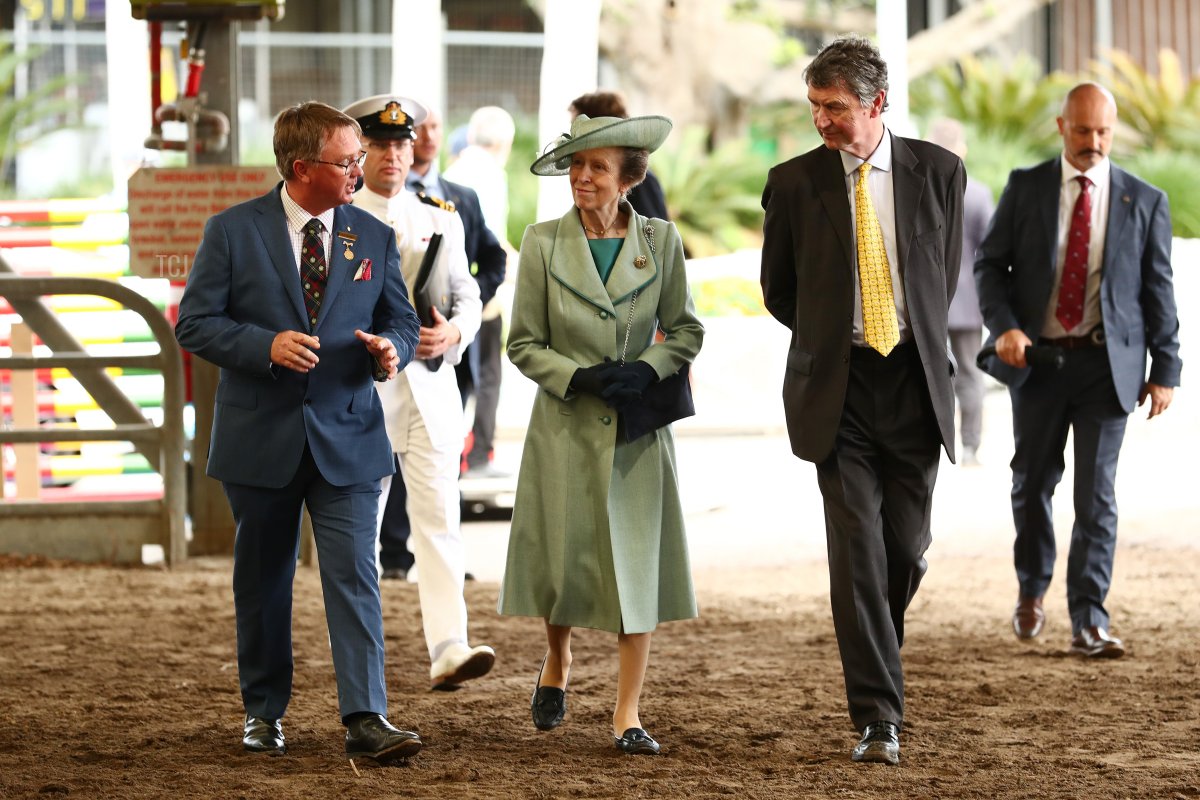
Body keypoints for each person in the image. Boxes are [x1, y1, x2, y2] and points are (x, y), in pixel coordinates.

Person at [175, 101, 424, 764]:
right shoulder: (231, 231)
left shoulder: (370, 235)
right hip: (260, 443)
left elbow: (401, 320)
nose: (359, 169)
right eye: (347, 160)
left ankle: (367, 719)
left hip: (349, 438)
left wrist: (391, 350)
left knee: (355, 577)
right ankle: (262, 713)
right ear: (300, 167)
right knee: (262, 582)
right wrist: (264, 345)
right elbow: (194, 324)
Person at [759, 35, 965, 766]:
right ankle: (879, 718)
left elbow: (941, 275)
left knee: (904, 551)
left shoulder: (939, 171)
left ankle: (873, 638)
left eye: (836, 108)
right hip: (836, 389)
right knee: (857, 555)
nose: (823, 120)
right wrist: (829, 334)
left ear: (878, 104)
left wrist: (904, 337)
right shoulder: (790, 183)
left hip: (915, 384)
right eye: (815, 106)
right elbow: (778, 290)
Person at [499, 113, 703, 756]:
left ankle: (627, 714)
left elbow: (687, 330)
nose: (582, 178)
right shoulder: (540, 241)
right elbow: (522, 342)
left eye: (597, 168)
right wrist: (578, 376)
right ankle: (556, 661)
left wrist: (649, 366)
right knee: (565, 562)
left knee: (636, 572)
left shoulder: (661, 240)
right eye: (576, 166)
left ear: (628, 179)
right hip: (565, 425)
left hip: (638, 432)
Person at [974, 82, 1181, 658]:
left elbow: (1157, 291)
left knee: (1096, 499)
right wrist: (1006, 327)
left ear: (1113, 132)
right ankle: (1031, 589)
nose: (1094, 142)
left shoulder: (1145, 200)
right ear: (1062, 126)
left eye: (1104, 132)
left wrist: (1166, 367)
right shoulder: (1026, 187)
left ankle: (1089, 617)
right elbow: (989, 266)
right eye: (1084, 130)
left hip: (1107, 366)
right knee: (1032, 483)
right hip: (1038, 364)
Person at [342, 94, 495, 690]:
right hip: (362, 393)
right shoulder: (341, 218)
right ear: (360, 152)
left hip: (430, 390)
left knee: (439, 521)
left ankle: (449, 645)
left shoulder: (439, 214)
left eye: (402, 144)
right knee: (360, 530)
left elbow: (467, 292)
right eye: (380, 144)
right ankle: (361, 657)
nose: (394, 155)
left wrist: (454, 332)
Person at [408, 106, 509, 474]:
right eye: (420, 129)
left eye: (436, 126)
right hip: (399, 350)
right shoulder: (379, 201)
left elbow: (492, 257)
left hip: (458, 329)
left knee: (469, 395)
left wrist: (466, 303)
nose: (429, 136)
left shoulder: (460, 197)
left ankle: (472, 457)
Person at [445, 106, 517, 477]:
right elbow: (494, 241)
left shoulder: (450, 174)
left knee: (457, 376)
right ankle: (479, 454)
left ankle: (451, 454)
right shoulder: (492, 175)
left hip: (448, 298)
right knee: (488, 374)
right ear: (503, 143)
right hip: (483, 296)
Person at [925, 118, 995, 466]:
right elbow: (991, 251)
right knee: (969, 373)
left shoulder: (920, 189)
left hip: (929, 303)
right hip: (967, 303)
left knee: (933, 375)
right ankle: (969, 447)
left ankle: (938, 443)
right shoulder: (979, 193)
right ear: (962, 149)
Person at [569, 91, 671, 221]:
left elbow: (652, 237)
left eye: (598, 167)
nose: (573, 135)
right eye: (577, 162)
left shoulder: (640, 181)